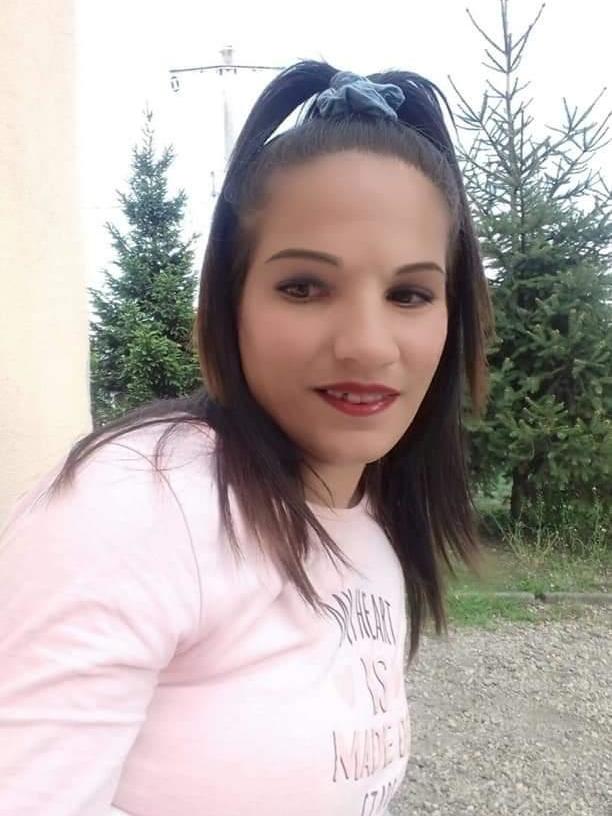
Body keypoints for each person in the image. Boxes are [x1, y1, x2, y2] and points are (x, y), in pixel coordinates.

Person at [0, 61, 494, 816]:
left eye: (409, 293)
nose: (367, 344)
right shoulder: (140, 506)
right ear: (229, 303)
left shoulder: (372, 510)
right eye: (304, 287)